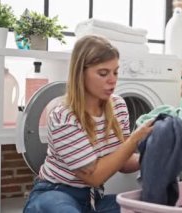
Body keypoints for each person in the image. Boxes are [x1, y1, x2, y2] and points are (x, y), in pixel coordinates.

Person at [23, 35, 153, 213]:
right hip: (55, 193)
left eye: (115, 72)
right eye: (103, 73)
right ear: (81, 73)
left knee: (150, 207)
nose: (112, 80)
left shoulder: (119, 106)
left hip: (93, 199)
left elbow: (123, 162)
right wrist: (135, 139)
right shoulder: (64, 117)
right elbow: (93, 176)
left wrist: (152, 155)